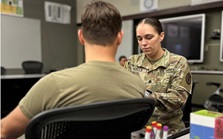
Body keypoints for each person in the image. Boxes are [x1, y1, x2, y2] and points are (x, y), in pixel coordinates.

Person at [0, 1, 146, 138]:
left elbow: (4, 132)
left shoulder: (54, 84)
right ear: (120, 37)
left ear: (81, 36)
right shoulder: (138, 85)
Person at [124, 17, 192, 133]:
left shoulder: (178, 62)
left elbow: (178, 99)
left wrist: (146, 96)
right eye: (139, 39)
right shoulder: (132, 62)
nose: (144, 43)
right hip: (139, 128)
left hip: (168, 129)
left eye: (149, 37)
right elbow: (124, 92)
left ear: (161, 36)